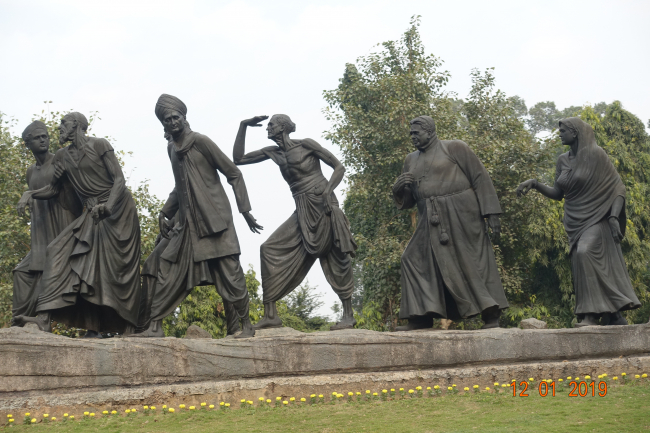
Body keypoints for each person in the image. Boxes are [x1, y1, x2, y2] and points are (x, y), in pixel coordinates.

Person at [136, 94, 261, 338]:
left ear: (184, 118)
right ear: (163, 124)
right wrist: (164, 211)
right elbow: (179, 186)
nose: (172, 122)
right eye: (167, 119)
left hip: (215, 222)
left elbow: (233, 173)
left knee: (230, 274)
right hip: (187, 225)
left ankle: (246, 325)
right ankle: (155, 326)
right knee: (167, 270)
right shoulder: (172, 148)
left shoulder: (201, 141)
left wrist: (245, 210)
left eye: (175, 117)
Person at [15, 113, 143, 337]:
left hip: (118, 210)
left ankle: (126, 325)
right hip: (92, 213)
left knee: (113, 269)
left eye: (64, 124)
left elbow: (119, 180)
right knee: (57, 251)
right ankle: (44, 319)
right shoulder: (62, 156)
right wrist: (31, 194)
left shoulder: (100, 145)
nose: (60, 129)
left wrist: (109, 206)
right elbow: (53, 189)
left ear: (77, 125)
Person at [233, 114, 357, 330]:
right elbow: (238, 159)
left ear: (282, 127)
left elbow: (339, 167)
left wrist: (328, 192)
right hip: (301, 207)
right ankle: (271, 314)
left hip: (323, 201)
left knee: (336, 255)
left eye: (271, 125)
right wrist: (243, 126)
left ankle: (348, 315)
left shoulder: (306, 145)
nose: (268, 128)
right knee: (269, 249)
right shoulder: (272, 152)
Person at [517, 117, 640, 327]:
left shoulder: (596, 155)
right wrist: (535, 184)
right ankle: (613, 313)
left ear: (576, 133)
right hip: (574, 221)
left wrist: (613, 217)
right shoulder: (562, 160)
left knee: (585, 253)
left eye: (563, 130)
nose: (559, 134)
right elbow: (558, 194)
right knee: (581, 264)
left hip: (598, 216)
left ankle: (591, 314)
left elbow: (618, 188)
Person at [392, 115, 508, 331]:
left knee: (471, 261)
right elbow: (409, 201)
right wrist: (398, 189)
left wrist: (491, 212)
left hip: (462, 213)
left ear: (429, 130)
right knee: (412, 259)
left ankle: (491, 314)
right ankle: (421, 316)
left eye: (416, 133)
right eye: (411, 133)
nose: (412, 137)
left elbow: (480, 178)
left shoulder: (455, 148)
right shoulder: (410, 160)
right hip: (429, 217)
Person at [12, 121, 81, 326]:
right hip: (41, 231)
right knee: (22, 272)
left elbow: (72, 196)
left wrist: (29, 194)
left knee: (56, 272)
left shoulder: (59, 160)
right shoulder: (30, 172)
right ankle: (21, 321)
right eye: (37, 137)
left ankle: (45, 320)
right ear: (27, 144)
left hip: (62, 224)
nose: (43, 140)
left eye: (45, 136)